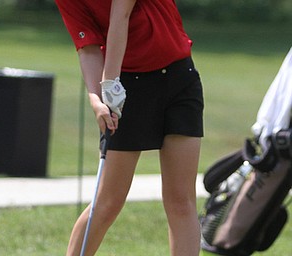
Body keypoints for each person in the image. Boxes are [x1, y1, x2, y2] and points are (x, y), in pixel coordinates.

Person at [55, 1, 204, 255]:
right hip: (125, 86)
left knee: (181, 201)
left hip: (178, 77)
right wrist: (96, 98)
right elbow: (87, 47)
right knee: (107, 203)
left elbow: (120, 15)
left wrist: (109, 82)